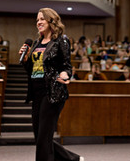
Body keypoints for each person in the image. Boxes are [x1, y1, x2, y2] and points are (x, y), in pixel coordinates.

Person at [18, 8, 84, 161]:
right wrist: (26, 60)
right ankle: (73, 159)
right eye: (37, 20)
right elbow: (31, 70)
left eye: (41, 19)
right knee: (40, 137)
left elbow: (67, 66)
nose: (38, 23)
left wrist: (65, 74)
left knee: (43, 139)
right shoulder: (36, 43)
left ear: (51, 21)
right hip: (36, 92)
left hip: (53, 92)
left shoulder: (61, 40)